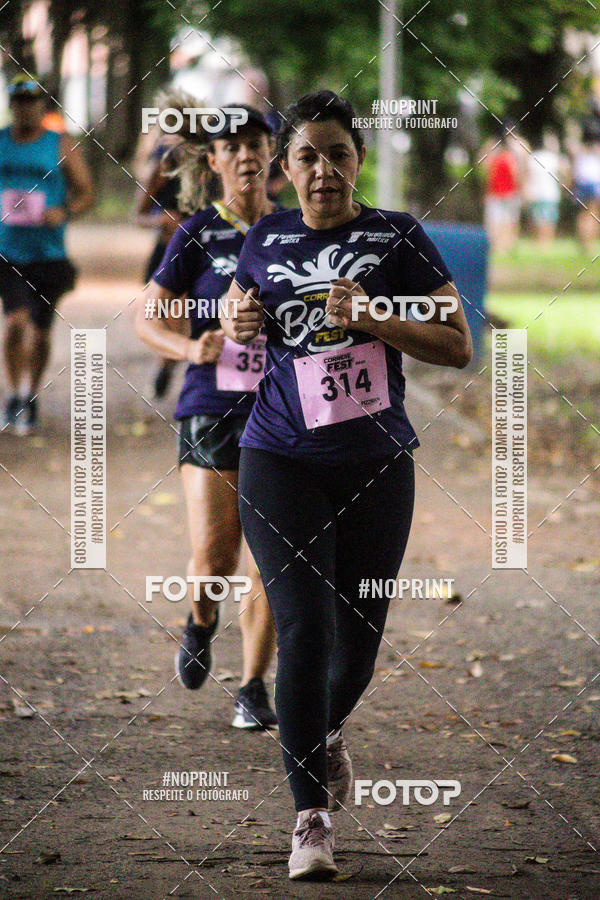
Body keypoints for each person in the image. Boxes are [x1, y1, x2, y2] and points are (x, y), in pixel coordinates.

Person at [220, 90, 472, 880]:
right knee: (304, 630)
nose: (323, 170)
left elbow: (458, 344)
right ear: (284, 168)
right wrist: (234, 325)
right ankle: (310, 821)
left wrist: (375, 319)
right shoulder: (264, 238)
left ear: (358, 159)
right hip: (278, 456)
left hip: (375, 463)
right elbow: (240, 329)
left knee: (355, 651)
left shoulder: (398, 235)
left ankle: (323, 734)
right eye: (307, 156)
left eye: (338, 154)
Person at [135, 104, 279, 730]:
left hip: (286, 409)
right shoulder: (196, 232)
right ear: (214, 160)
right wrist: (190, 348)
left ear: (272, 155)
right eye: (233, 146)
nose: (246, 154)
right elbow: (146, 319)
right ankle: (200, 618)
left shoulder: (295, 230)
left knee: (276, 555)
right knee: (217, 555)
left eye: (257, 143)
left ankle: (253, 686)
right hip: (213, 406)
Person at [0, 73, 93, 433]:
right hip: (7, 251)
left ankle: (31, 394)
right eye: (19, 102)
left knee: (39, 333)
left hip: (48, 254)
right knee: (15, 323)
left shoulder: (60, 143)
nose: (26, 108)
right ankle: (13, 394)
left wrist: (63, 211)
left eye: (32, 101)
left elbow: (86, 193)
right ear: (12, 105)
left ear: (42, 105)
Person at [134, 134, 184, 399]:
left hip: (206, 250)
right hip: (169, 252)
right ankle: (167, 362)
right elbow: (138, 215)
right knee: (171, 314)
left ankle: (175, 363)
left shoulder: (215, 165)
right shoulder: (163, 166)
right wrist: (161, 221)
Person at [482, 129, 522, 251]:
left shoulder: (494, 160)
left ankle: (498, 245)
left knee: (495, 221)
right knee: (508, 221)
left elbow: (488, 177)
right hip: (508, 194)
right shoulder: (509, 158)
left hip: (497, 194)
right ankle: (507, 244)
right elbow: (515, 176)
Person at [526, 133, 564, 244]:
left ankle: (539, 241)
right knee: (549, 220)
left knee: (537, 219)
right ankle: (547, 242)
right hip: (550, 194)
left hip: (536, 193)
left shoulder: (533, 157)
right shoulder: (554, 158)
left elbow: (527, 176)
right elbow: (563, 174)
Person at [571, 123, 600, 252]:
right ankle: (588, 244)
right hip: (594, 184)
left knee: (582, 214)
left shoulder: (578, 149)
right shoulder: (597, 149)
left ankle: (583, 242)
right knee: (593, 214)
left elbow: (574, 169)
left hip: (581, 184)